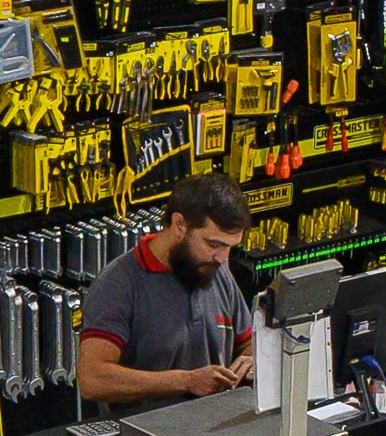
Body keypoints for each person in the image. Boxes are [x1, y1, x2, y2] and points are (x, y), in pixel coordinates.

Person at [78, 174, 255, 409]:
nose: (222, 257)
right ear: (180, 225)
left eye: (230, 247)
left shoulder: (215, 270)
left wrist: (253, 359)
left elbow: (248, 342)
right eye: (213, 244)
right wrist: (187, 381)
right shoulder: (118, 284)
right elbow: (93, 379)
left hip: (214, 422)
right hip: (145, 429)